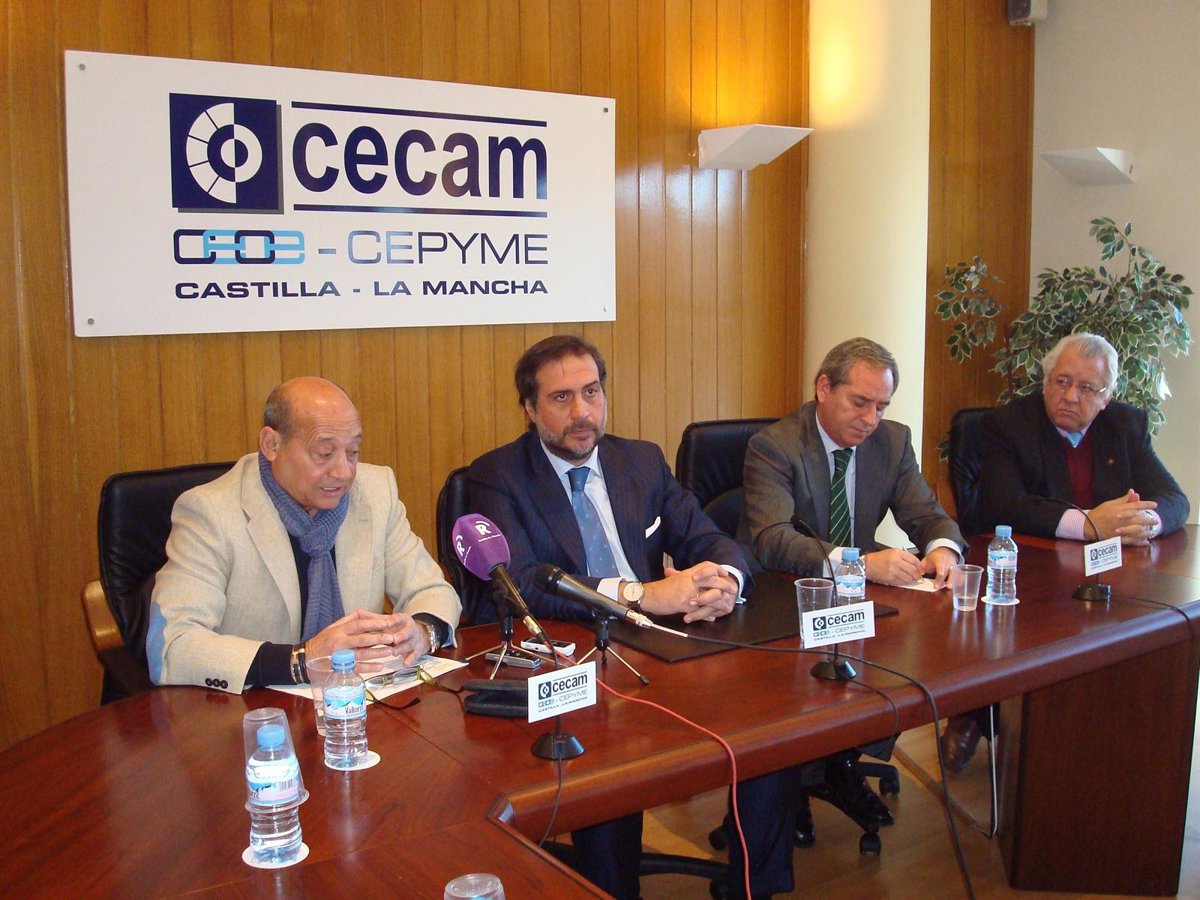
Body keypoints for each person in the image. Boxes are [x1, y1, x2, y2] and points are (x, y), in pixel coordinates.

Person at [468, 336, 780, 899]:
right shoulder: (498, 476)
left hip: (664, 649)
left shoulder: (640, 460)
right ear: (530, 409)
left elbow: (709, 538)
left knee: (771, 730)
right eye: (561, 398)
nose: (582, 412)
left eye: (592, 392)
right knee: (609, 772)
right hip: (576, 660)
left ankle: (753, 887)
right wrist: (641, 595)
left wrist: (727, 582)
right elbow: (522, 584)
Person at [741, 336, 966, 840]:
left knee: (906, 656)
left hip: (856, 597)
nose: (871, 419)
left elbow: (927, 514)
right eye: (860, 402)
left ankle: (840, 763)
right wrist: (860, 564)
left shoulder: (892, 441)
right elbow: (773, 540)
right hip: (782, 594)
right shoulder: (775, 445)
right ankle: (793, 780)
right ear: (824, 388)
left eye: (881, 406)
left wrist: (943, 550)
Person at [943, 332, 1190, 771]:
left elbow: (1175, 498)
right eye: (1061, 381)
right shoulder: (1008, 424)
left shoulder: (1126, 425)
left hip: (1104, 577)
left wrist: (1144, 522)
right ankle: (978, 710)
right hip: (1027, 574)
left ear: (1107, 397)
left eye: (1087, 388)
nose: (1071, 396)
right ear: (1045, 381)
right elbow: (1003, 506)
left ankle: (1097, 739)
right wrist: (1091, 524)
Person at [147, 376, 460, 691]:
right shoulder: (210, 512)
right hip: (251, 708)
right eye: (324, 454)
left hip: (359, 704)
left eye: (353, 452)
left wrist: (423, 632)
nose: (344, 472)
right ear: (272, 445)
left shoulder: (375, 492)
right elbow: (172, 645)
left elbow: (432, 589)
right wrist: (303, 659)